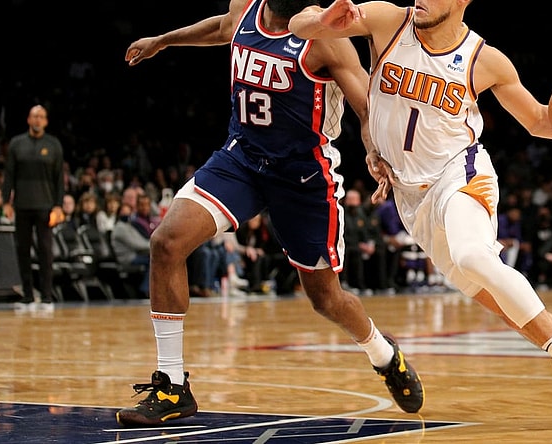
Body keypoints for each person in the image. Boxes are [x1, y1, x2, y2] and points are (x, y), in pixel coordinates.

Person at [290, 0, 552, 428]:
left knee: (474, 256)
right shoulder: (387, 20)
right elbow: (298, 25)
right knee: (510, 307)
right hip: (412, 199)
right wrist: (320, 21)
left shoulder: (485, 60)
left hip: (460, 173)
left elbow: (539, 120)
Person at [115, 0, 423, 427]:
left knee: (325, 298)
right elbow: (220, 28)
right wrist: (163, 41)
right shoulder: (245, 10)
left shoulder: (326, 38)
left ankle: (383, 354)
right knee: (166, 243)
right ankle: (172, 386)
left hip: (302, 177)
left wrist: (373, 149)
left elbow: (367, 106)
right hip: (241, 159)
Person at [2, 104, 65, 311]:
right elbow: (9, 174)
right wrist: (6, 202)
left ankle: (46, 297)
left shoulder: (53, 145)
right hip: (22, 205)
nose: (37, 120)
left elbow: (59, 179)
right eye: (34, 116)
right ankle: (28, 296)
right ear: (28, 119)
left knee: (46, 251)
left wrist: (58, 205)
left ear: (45, 121)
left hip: (45, 206)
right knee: (23, 250)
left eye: (41, 117)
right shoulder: (16, 143)